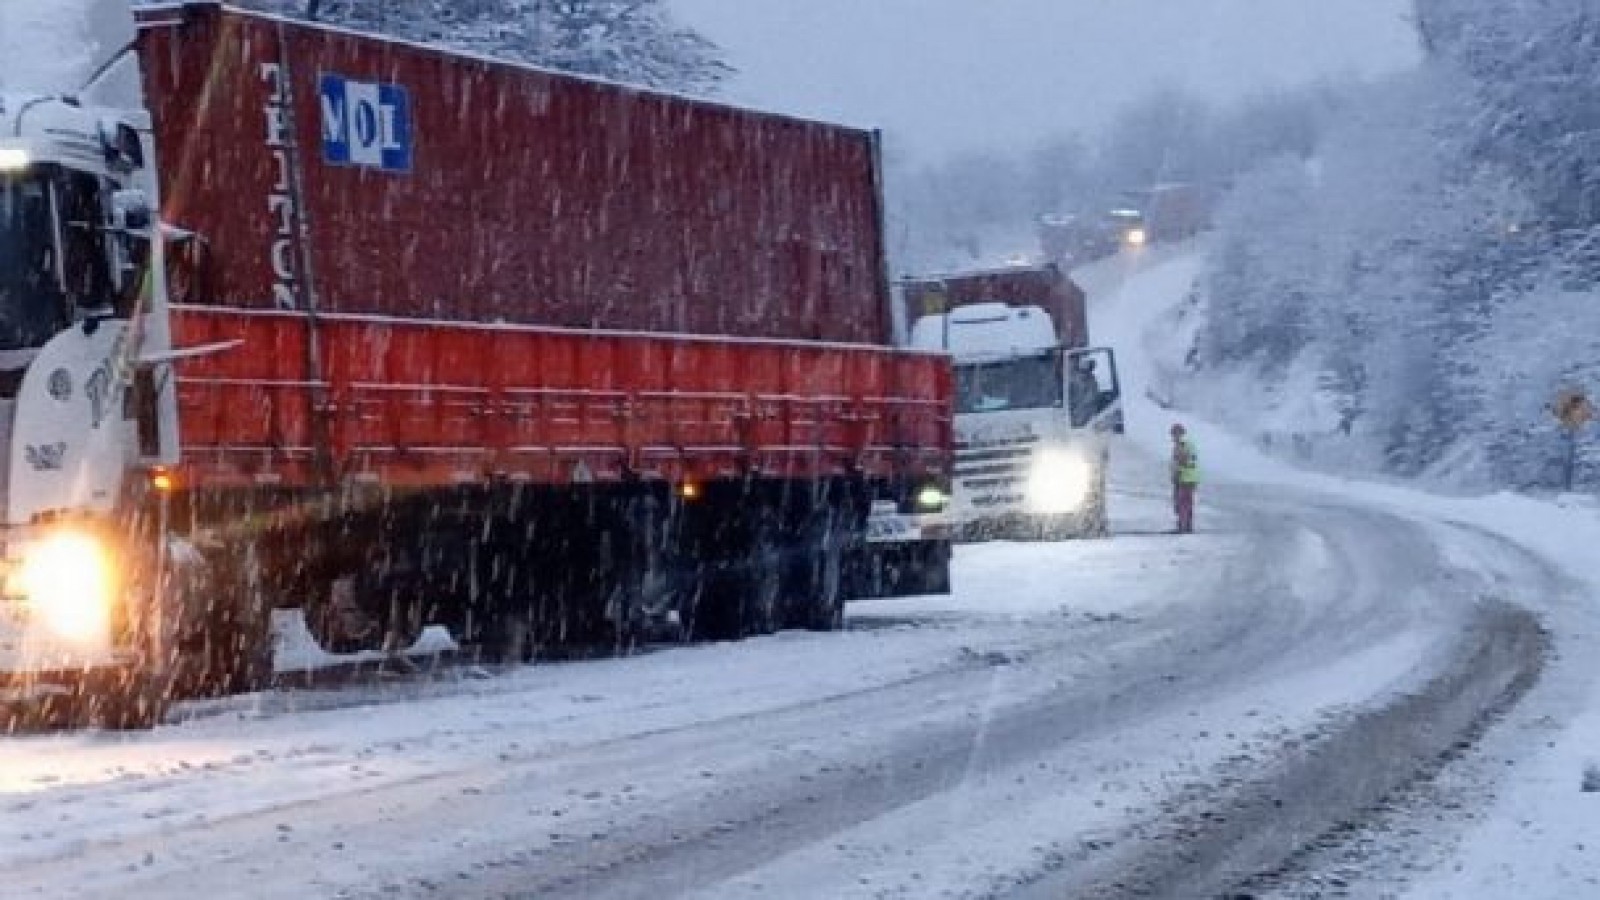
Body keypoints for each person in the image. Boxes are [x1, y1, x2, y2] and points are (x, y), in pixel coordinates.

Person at [1170, 423, 1199, 533]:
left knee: (1182, 503)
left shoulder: (1184, 445)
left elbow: (1187, 460)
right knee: (1183, 503)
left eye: (1175, 434)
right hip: (1182, 478)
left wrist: (1178, 469)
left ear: (1180, 434)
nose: (1173, 437)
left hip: (1186, 479)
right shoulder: (1180, 445)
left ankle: (1183, 526)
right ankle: (1186, 525)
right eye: (1173, 434)